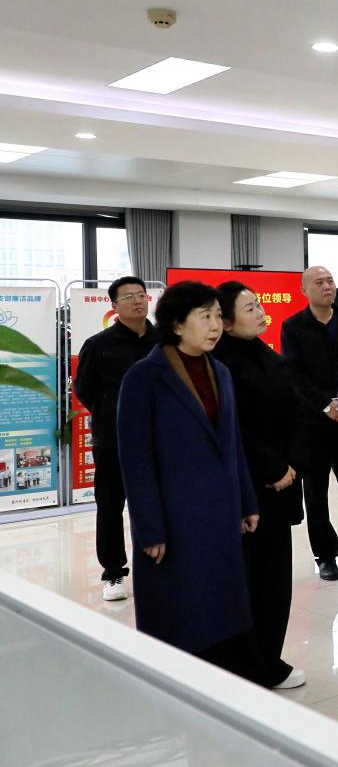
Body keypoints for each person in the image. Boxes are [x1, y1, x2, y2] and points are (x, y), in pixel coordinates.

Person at [116, 281, 264, 680]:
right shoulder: (145, 377)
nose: (215, 325)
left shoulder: (220, 372)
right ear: (177, 325)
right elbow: (136, 460)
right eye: (205, 317)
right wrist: (149, 528)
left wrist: (247, 501)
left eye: (217, 315)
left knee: (220, 608)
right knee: (177, 613)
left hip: (220, 513)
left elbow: (232, 444)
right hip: (174, 518)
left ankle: (214, 682)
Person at [215, 281, 307, 690]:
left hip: (282, 481)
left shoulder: (265, 353)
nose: (259, 311)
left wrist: (293, 464)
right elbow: (235, 427)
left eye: (257, 304)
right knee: (249, 580)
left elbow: (295, 409)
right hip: (250, 487)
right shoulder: (220, 364)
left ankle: (268, 659)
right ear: (225, 321)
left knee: (275, 580)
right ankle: (248, 665)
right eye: (249, 307)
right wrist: (272, 466)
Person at [73, 275, 159, 601]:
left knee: (158, 502)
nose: (138, 300)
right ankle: (113, 572)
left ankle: (160, 564)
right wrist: (112, 413)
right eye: (129, 296)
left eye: (141, 295)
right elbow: (84, 389)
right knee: (110, 506)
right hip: (113, 440)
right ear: (114, 305)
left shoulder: (164, 341)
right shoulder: (98, 344)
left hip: (158, 438)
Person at [280, 266, 338, 581]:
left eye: (330, 281)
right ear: (304, 290)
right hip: (313, 423)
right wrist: (326, 405)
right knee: (316, 494)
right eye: (319, 282)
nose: (327, 286)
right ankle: (326, 556)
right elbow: (295, 375)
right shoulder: (293, 327)